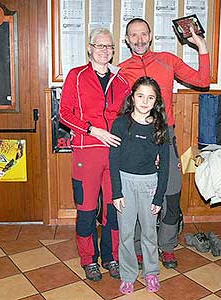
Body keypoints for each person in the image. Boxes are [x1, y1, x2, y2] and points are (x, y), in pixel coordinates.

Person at [118, 17, 211, 269]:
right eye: (133, 35)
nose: (139, 40)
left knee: (172, 193)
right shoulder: (122, 70)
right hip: (135, 140)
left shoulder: (167, 60)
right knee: (137, 198)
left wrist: (200, 45)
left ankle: (167, 246)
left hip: (165, 135)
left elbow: (203, 81)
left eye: (143, 34)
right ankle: (137, 249)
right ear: (127, 40)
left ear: (150, 37)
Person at [59, 28, 130, 281]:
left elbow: (127, 119)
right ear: (89, 48)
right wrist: (93, 130)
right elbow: (64, 113)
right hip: (86, 152)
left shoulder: (121, 81)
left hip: (115, 155)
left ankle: (111, 257)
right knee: (87, 210)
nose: (104, 51)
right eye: (99, 46)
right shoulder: (76, 76)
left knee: (114, 210)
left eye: (109, 47)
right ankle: (88, 259)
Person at [110, 77, 169, 294]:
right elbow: (113, 159)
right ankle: (127, 275)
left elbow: (165, 165)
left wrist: (158, 196)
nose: (145, 101)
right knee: (125, 233)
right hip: (125, 184)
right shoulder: (120, 124)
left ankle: (151, 272)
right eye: (140, 96)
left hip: (149, 185)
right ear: (133, 97)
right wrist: (116, 192)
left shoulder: (160, 127)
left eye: (150, 97)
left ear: (156, 102)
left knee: (149, 233)